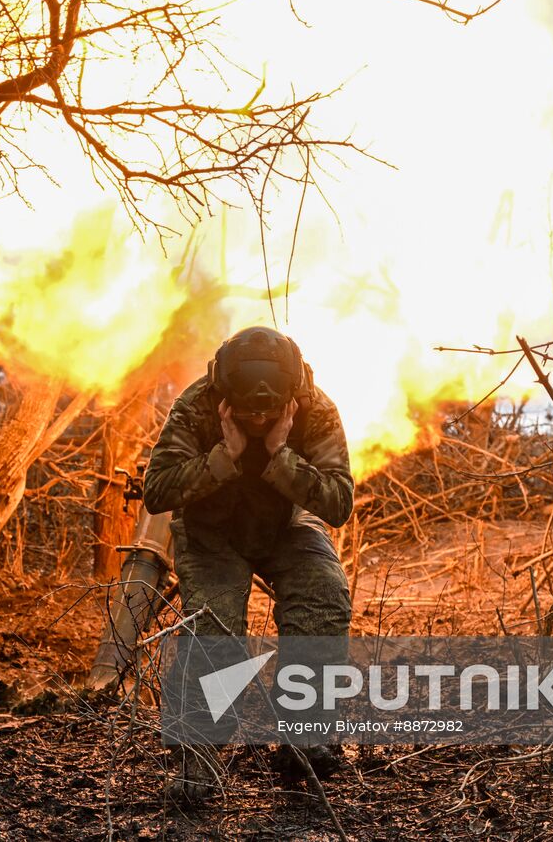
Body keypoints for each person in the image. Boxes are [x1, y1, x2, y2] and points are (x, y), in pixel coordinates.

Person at [143, 325, 355, 804]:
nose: (258, 417)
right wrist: (226, 455)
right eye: (248, 409)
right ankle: (199, 759)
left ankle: (306, 740)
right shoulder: (198, 405)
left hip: (288, 526)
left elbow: (339, 502)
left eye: (269, 410)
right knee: (213, 627)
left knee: (323, 597)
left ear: (290, 397)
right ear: (225, 395)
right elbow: (158, 491)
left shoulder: (314, 408)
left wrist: (280, 454)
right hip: (212, 533)